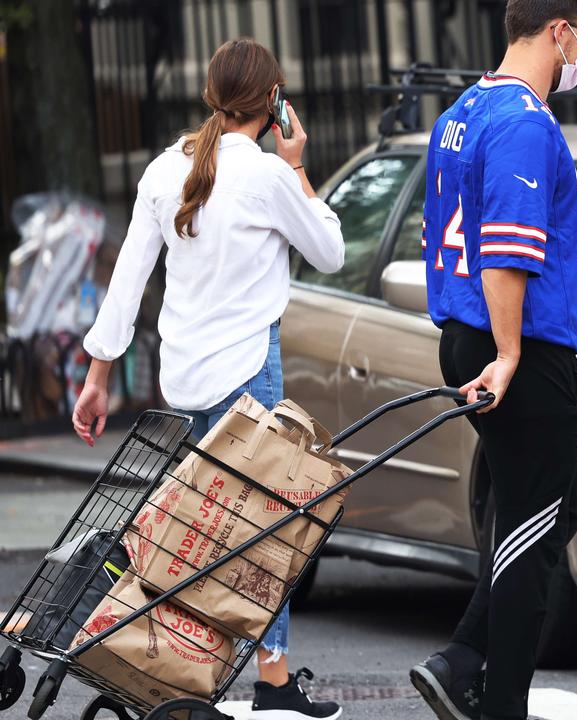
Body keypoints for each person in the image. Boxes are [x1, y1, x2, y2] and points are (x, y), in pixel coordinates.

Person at [71, 38, 345, 720]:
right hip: (250, 370)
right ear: (273, 102)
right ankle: (273, 680)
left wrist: (98, 376)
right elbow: (332, 251)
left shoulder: (167, 171)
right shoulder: (267, 176)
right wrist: (299, 164)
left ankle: (188, 668)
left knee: (202, 527)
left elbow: (129, 280)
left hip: (185, 376)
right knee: (263, 529)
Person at [407, 1, 577, 719]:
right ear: (559, 31)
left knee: (547, 509)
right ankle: (498, 702)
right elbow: (506, 248)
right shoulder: (525, 121)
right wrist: (511, 351)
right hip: (516, 346)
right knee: (534, 530)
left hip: (467, 332)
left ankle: (462, 656)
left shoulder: (463, 108)